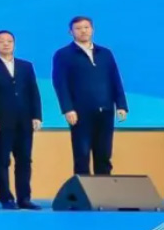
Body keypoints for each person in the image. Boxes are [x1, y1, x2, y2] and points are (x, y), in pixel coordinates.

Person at [52, 16, 128, 176]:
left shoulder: (105, 53)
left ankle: (104, 190)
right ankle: (83, 190)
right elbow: (60, 84)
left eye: (86, 27)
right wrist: (68, 109)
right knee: (82, 155)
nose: (83, 31)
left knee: (104, 155)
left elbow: (115, 78)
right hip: (80, 113)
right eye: (78, 28)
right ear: (71, 32)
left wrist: (121, 105)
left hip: (105, 110)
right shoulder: (63, 54)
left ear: (92, 29)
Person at [0, 30, 43, 209]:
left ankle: (24, 198)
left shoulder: (26, 66)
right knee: (2, 160)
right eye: (1, 41)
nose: (6, 44)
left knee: (24, 160)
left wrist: (37, 115)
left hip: (25, 120)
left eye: (9, 41)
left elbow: (33, 91)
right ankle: (6, 198)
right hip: (1, 121)